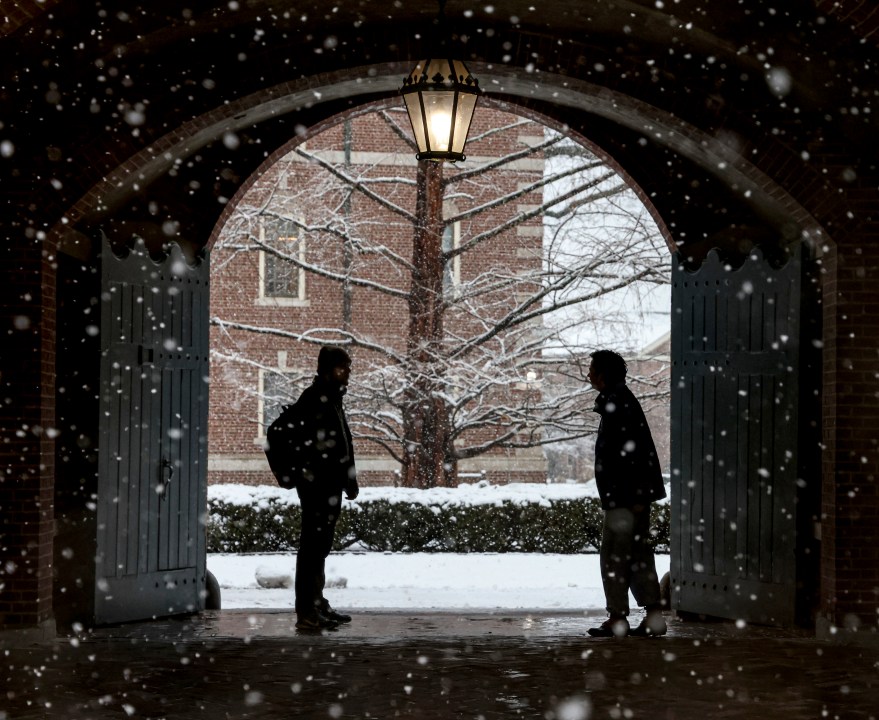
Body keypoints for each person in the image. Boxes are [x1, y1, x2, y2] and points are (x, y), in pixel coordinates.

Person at [586, 349, 667, 638]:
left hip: (625, 497)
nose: (589, 375)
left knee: (615, 557)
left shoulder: (616, 404)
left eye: (593, 370)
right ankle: (653, 616)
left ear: (604, 374)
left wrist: (629, 497)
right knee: (638, 554)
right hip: (632, 495)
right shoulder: (622, 401)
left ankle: (618, 617)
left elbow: (624, 457)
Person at [291, 345, 359, 631]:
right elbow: (320, 448)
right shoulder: (315, 399)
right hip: (318, 486)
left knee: (319, 547)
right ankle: (307, 610)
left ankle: (316, 603)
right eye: (343, 368)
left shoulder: (331, 398)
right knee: (312, 548)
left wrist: (349, 479)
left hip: (328, 484)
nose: (348, 374)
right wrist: (317, 478)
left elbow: (342, 442)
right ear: (327, 369)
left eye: (349, 368)